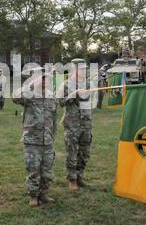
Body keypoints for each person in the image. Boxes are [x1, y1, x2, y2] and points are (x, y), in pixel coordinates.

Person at [13, 72, 57, 207]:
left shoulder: (51, 95)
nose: (44, 81)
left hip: (47, 140)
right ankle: (33, 195)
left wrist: (53, 134)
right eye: (41, 78)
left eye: (46, 78)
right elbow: (15, 97)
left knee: (47, 170)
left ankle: (43, 194)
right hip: (32, 139)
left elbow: (54, 116)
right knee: (33, 169)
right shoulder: (29, 95)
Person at [57, 58, 93, 191]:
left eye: (85, 69)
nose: (84, 71)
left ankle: (80, 177)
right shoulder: (65, 84)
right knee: (72, 153)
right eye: (81, 69)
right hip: (72, 124)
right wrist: (73, 95)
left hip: (86, 123)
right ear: (74, 69)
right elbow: (59, 102)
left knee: (84, 153)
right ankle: (72, 179)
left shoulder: (88, 84)